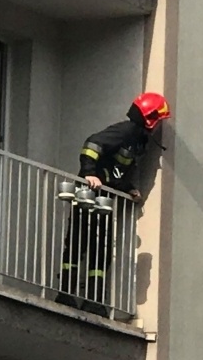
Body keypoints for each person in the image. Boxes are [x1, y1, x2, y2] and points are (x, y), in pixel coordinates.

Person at [55, 92, 171, 317]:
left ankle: (94, 301)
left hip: (104, 197)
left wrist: (128, 189)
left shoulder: (138, 140)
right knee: (78, 242)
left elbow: (119, 170)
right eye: (158, 121)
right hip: (88, 193)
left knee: (101, 249)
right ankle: (66, 294)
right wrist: (89, 172)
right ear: (150, 118)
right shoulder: (126, 131)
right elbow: (93, 144)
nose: (158, 127)